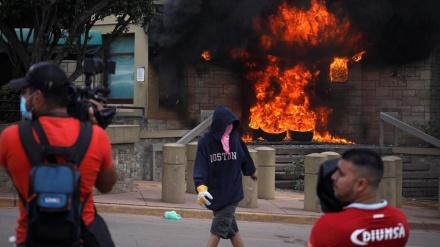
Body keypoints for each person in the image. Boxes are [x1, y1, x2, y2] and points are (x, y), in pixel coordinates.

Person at [0, 61, 118, 247]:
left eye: (26, 92)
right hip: (80, 238)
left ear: (37, 96)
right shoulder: (95, 136)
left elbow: (15, 177)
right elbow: (106, 185)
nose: (23, 97)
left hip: (30, 239)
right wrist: (98, 129)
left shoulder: (11, 137)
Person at [307, 148, 409, 247]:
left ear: (360, 184)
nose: (334, 177)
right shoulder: (399, 220)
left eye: (341, 174)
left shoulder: (329, 225)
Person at [193, 105, 258, 247]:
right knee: (232, 230)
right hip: (216, 192)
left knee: (217, 229)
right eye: (226, 124)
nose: (229, 127)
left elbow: (244, 156)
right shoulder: (206, 142)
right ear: (219, 124)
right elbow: (201, 166)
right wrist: (201, 187)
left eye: (231, 124)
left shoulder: (234, 138)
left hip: (232, 192)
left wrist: (251, 171)